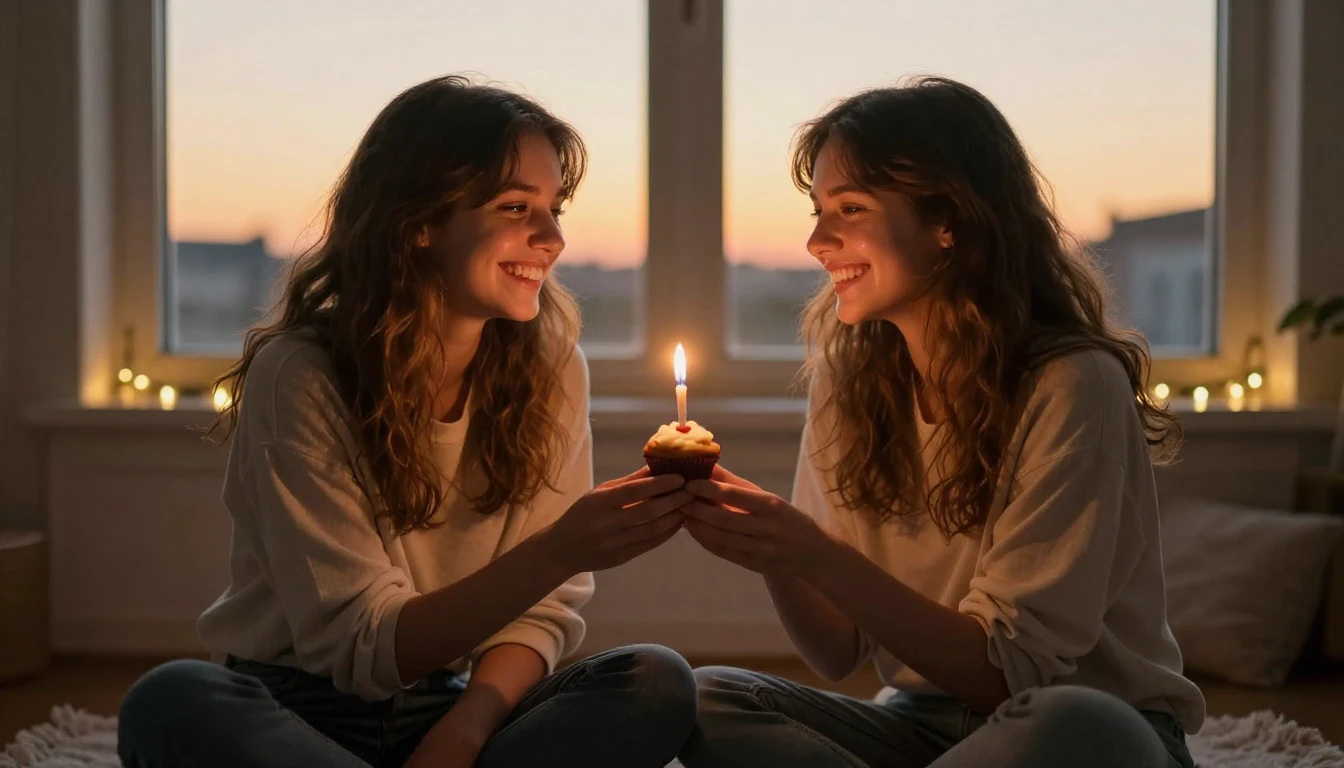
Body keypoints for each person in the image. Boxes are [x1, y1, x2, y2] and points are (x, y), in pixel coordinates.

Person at [117, 75, 696, 768]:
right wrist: (560, 550)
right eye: (517, 206)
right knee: (173, 702)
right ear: (418, 222)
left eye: (555, 208)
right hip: (296, 706)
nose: (552, 238)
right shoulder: (301, 374)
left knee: (656, 681)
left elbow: (541, 613)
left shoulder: (551, 367)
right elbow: (362, 646)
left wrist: (465, 733)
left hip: (454, 703)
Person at [677, 76, 1204, 768]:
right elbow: (836, 652)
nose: (816, 241)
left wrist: (811, 551)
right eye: (817, 210)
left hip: (1066, 725)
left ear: (948, 220)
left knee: (1080, 724)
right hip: (919, 730)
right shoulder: (847, 379)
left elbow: (1005, 674)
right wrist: (776, 553)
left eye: (850, 208)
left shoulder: (1072, 384)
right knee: (706, 698)